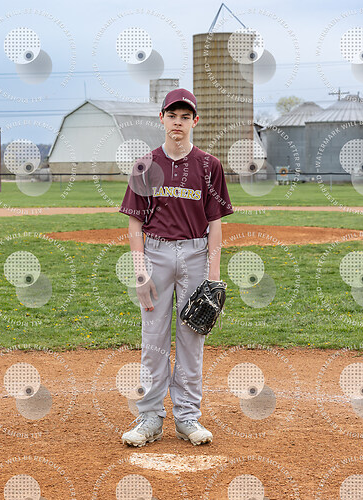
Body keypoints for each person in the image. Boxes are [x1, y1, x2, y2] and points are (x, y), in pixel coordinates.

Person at [119, 88, 233, 447]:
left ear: (195, 121)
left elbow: (215, 223)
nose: (178, 122)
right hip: (156, 253)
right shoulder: (146, 164)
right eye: (172, 116)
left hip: (196, 254)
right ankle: (150, 417)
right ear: (162, 119)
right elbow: (134, 224)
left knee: (192, 338)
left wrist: (213, 277)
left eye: (185, 117)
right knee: (153, 339)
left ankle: (187, 417)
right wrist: (140, 273)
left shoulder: (209, 165)